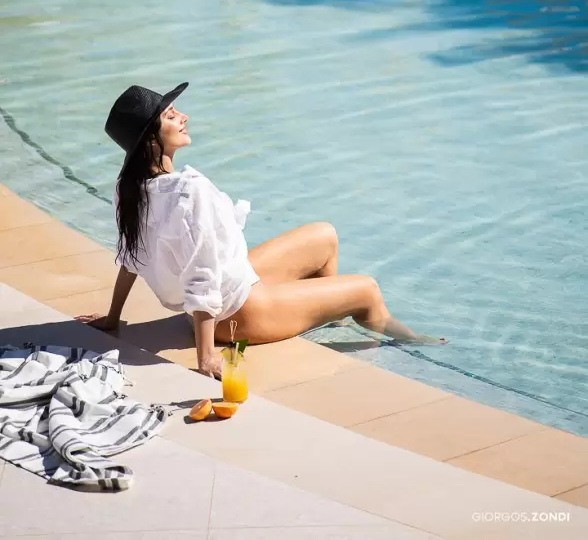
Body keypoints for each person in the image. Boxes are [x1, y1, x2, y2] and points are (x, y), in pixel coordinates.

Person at [77, 82, 446, 379]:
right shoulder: (189, 192)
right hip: (239, 315)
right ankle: (409, 345)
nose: (184, 116)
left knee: (324, 235)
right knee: (367, 289)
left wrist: (113, 319)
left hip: (233, 291)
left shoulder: (129, 185)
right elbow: (202, 276)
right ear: (151, 139)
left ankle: (317, 317)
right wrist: (206, 358)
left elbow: (130, 257)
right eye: (172, 116)